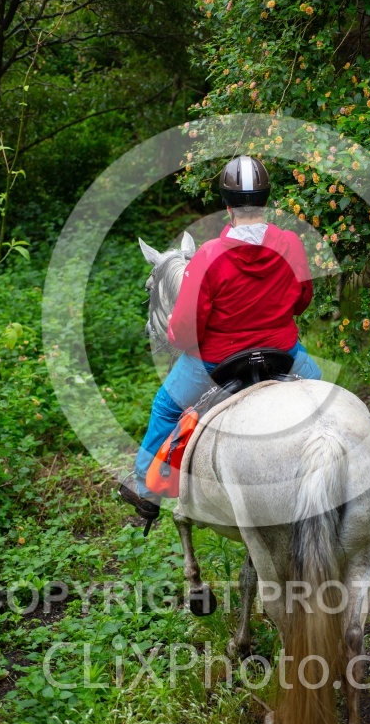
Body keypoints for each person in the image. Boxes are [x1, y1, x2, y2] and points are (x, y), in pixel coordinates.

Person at [120, 155, 321, 516]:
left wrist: (173, 330)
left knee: (166, 406)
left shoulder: (208, 255)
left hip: (216, 361)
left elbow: (184, 331)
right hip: (283, 352)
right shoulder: (290, 243)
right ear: (266, 201)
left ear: (227, 206)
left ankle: (146, 490)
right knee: (323, 394)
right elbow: (302, 299)